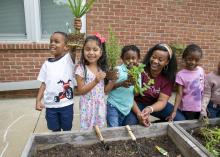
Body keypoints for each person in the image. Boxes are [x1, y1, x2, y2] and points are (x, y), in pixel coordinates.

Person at [124, 43, 185, 127]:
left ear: (167, 62)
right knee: (129, 124)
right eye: (153, 57)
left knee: (180, 120)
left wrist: (150, 109)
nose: (155, 61)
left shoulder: (168, 78)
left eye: (160, 59)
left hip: (156, 105)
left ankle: (156, 126)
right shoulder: (139, 70)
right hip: (136, 104)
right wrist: (139, 114)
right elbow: (129, 96)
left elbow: (162, 101)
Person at [35, 31, 75, 131]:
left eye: (56, 41)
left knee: (67, 129)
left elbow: (74, 48)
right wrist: (38, 100)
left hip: (66, 105)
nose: (52, 43)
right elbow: (43, 83)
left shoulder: (68, 59)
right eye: (51, 41)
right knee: (54, 129)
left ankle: (67, 145)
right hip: (50, 105)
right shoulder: (46, 64)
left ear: (66, 47)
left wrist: (77, 27)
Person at [75, 33, 108, 130]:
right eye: (87, 49)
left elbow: (104, 90)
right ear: (83, 51)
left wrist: (113, 80)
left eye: (95, 49)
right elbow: (80, 91)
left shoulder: (102, 68)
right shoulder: (81, 69)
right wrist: (96, 81)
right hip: (87, 106)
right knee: (87, 131)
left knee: (99, 129)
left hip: (99, 104)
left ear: (101, 52)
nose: (91, 52)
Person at [105, 45, 141, 127]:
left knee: (122, 129)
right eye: (127, 58)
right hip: (113, 105)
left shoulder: (138, 72)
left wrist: (135, 83)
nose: (130, 61)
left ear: (138, 59)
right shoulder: (117, 70)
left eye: (133, 58)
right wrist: (121, 84)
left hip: (126, 108)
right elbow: (108, 89)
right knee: (113, 130)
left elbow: (136, 94)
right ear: (122, 58)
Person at [167, 44, 205, 120]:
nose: (193, 62)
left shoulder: (201, 70)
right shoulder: (180, 75)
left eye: (196, 60)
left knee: (200, 126)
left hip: (201, 106)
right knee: (189, 127)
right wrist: (174, 111)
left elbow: (203, 88)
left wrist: (204, 105)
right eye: (190, 59)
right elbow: (179, 94)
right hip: (188, 108)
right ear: (184, 58)